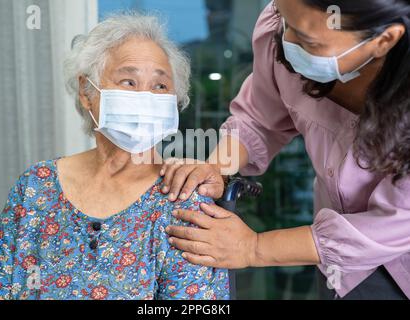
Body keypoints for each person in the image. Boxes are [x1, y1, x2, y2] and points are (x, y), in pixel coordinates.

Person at [161, 0, 410, 300]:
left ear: (384, 40)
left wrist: (253, 248)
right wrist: (219, 167)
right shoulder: (289, 20)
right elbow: (259, 116)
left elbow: (396, 221)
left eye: (309, 41)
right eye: (286, 24)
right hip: (334, 265)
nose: (287, 42)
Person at [0, 13, 229, 300]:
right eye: (129, 82)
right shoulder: (35, 185)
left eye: (160, 86)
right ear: (86, 91)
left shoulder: (182, 198)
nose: (145, 96)